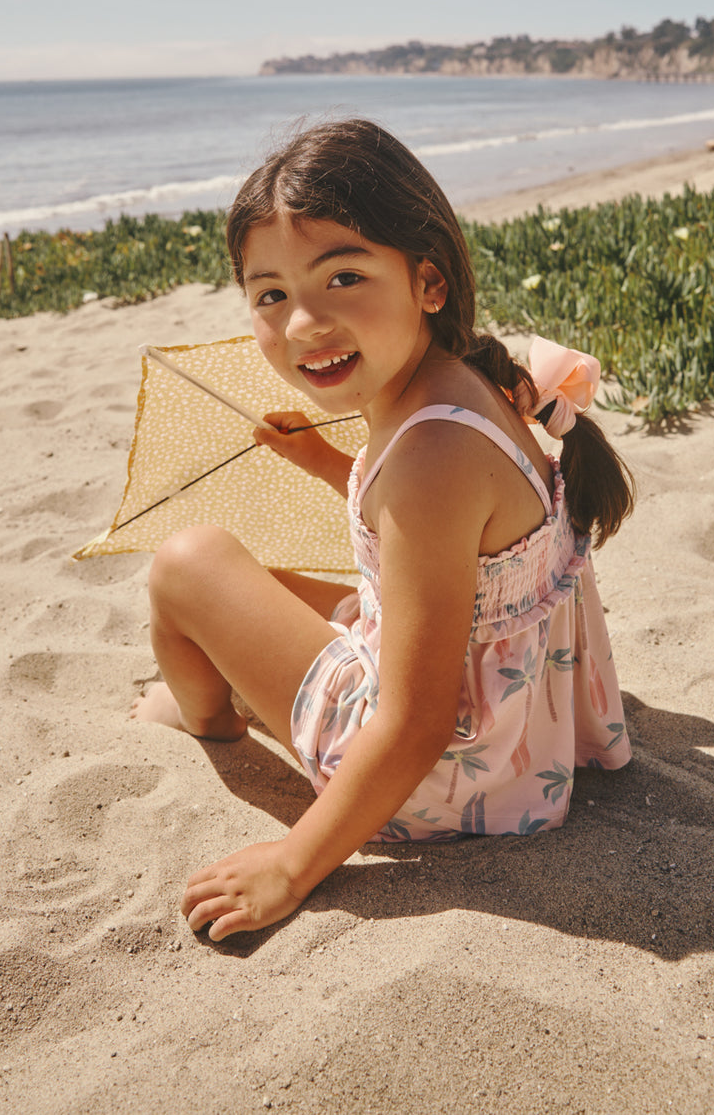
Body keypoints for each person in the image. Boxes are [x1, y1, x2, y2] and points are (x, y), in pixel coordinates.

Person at [132, 118, 635, 939]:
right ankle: (218, 695)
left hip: (443, 777)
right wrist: (330, 465)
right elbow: (441, 530)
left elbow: (415, 721)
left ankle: (209, 719)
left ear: (427, 282)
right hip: (522, 727)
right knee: (275, 584)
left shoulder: (431, 457)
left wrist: (291, 865)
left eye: (343, 278)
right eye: (271, 295)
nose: (303, 325)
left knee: (189, 563)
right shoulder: (466, 382)